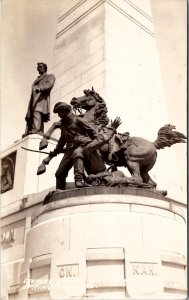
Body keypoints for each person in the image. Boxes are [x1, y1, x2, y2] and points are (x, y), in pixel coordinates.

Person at [23, 62, 55, 137]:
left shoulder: (50, 76)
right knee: (32, 115)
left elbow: (49, 84)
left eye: (40, 67)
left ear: (45, 68)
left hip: (41, 100)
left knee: (37, 113)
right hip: (34, 100)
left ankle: (35, 130)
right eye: (38, 67)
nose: (38, 68)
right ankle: (38, 131)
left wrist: (40, 88)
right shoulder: (37, 79)